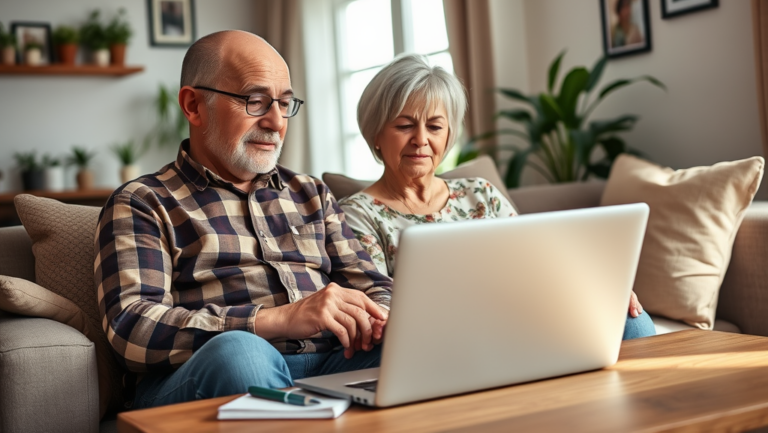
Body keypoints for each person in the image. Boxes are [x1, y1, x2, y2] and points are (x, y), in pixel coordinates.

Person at [94, 30, 392, 409]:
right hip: (212, 371)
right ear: (194, 105)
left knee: (412, 345)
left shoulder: (311, 193)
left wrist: (381, 317)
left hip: (333, 361)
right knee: (240, 353)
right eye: (255, 101)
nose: (276, 121)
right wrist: (277, 320)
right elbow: (133, 330)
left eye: (285, 104)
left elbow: (374, 285)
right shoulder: (144, 202)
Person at [338, 54, 655, 340]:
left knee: (631, 321)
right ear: (376, 134)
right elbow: (379, 307)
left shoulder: (480, 193)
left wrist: (594, 283)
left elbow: (536, 261)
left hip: (517, 317)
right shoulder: (356, 215)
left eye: (434, 126)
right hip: (445, 338)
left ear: (448, 136)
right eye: (405, 125)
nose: (421, 140)